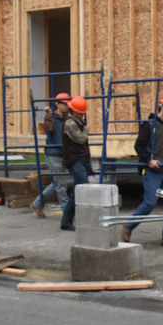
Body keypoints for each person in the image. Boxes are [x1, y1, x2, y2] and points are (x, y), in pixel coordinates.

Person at [121, 96, 163, 247]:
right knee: (150, 203)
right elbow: (139, 146)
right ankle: (128, 226)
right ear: (162, 107)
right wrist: (149, 161)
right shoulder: (149, 126)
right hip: (152, 171)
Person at [30, 93, 71, 219]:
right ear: (57, 104)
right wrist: (49, 115)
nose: (66, 106)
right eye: (64, 104)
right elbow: (50, 129)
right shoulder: (51, 118)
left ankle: (37, 204)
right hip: (53, 154)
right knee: (61, 185)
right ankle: (67, 213)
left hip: (62, 153)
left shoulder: (66, 119)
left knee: (57, 182)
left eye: (67, 104)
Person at [59, 96, 92, 232]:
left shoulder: (78, 122)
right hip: (74, 160)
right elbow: (80, 139)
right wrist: (86, 130)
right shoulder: (70, 124)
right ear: (77, 111)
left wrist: (88, 163)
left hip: (81, 160)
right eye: (81, 112)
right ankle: (67, 220)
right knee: (81, 189)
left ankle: (68, 219)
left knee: (78, 190)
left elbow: (84, 146)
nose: (82, 114)